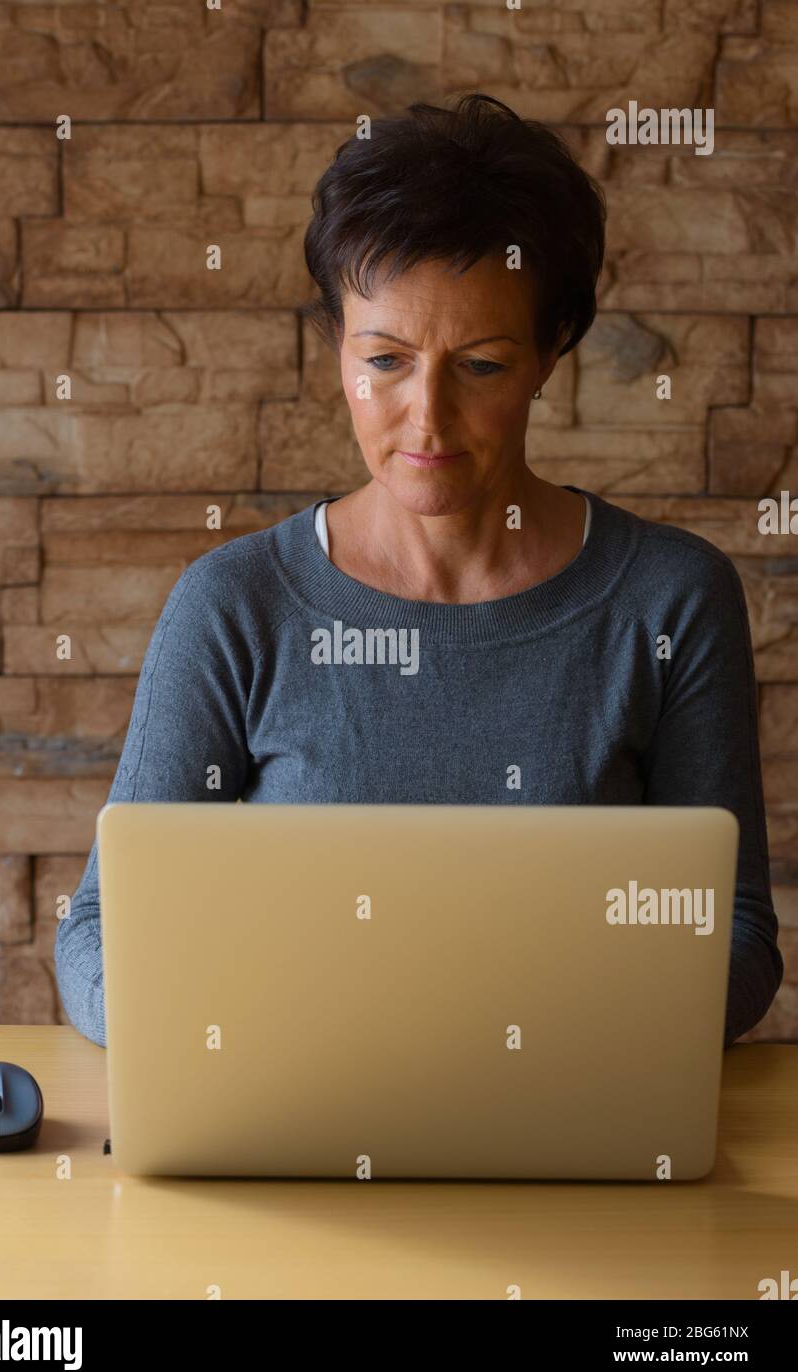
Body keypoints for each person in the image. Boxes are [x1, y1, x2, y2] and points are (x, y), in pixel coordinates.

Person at [55, 93, 783, 1049]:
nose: (426, 419)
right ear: (335, 350)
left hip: (564, 1117)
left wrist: (530, 1035)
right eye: (386, 361)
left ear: (549, 350)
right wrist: (209, 1033)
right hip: (298, 1110)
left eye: (478, 365)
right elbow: (99, 930)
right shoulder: (235, 606)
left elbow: (734, 934)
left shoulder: (671, 599)